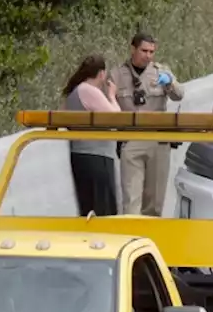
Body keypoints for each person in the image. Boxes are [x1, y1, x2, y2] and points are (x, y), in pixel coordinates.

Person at [111, 32, 185, 215]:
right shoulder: (117, 74)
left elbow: (179, 95)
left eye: (152, 52)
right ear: (133, 49)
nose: (148, 55)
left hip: (158, 140)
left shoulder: (161, 71)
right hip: (131, 139)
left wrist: (169, 83)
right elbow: (108, 104)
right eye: (144, 50)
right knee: (131, 200)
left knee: (154, 202)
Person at [61, 53, 121, 216]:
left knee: (87, 206)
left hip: (79, 155)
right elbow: (116, 118)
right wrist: (111, 96)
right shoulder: (89, 91)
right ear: (101, 73)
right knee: (103, 208)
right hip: (97, 155)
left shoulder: (74, 93)